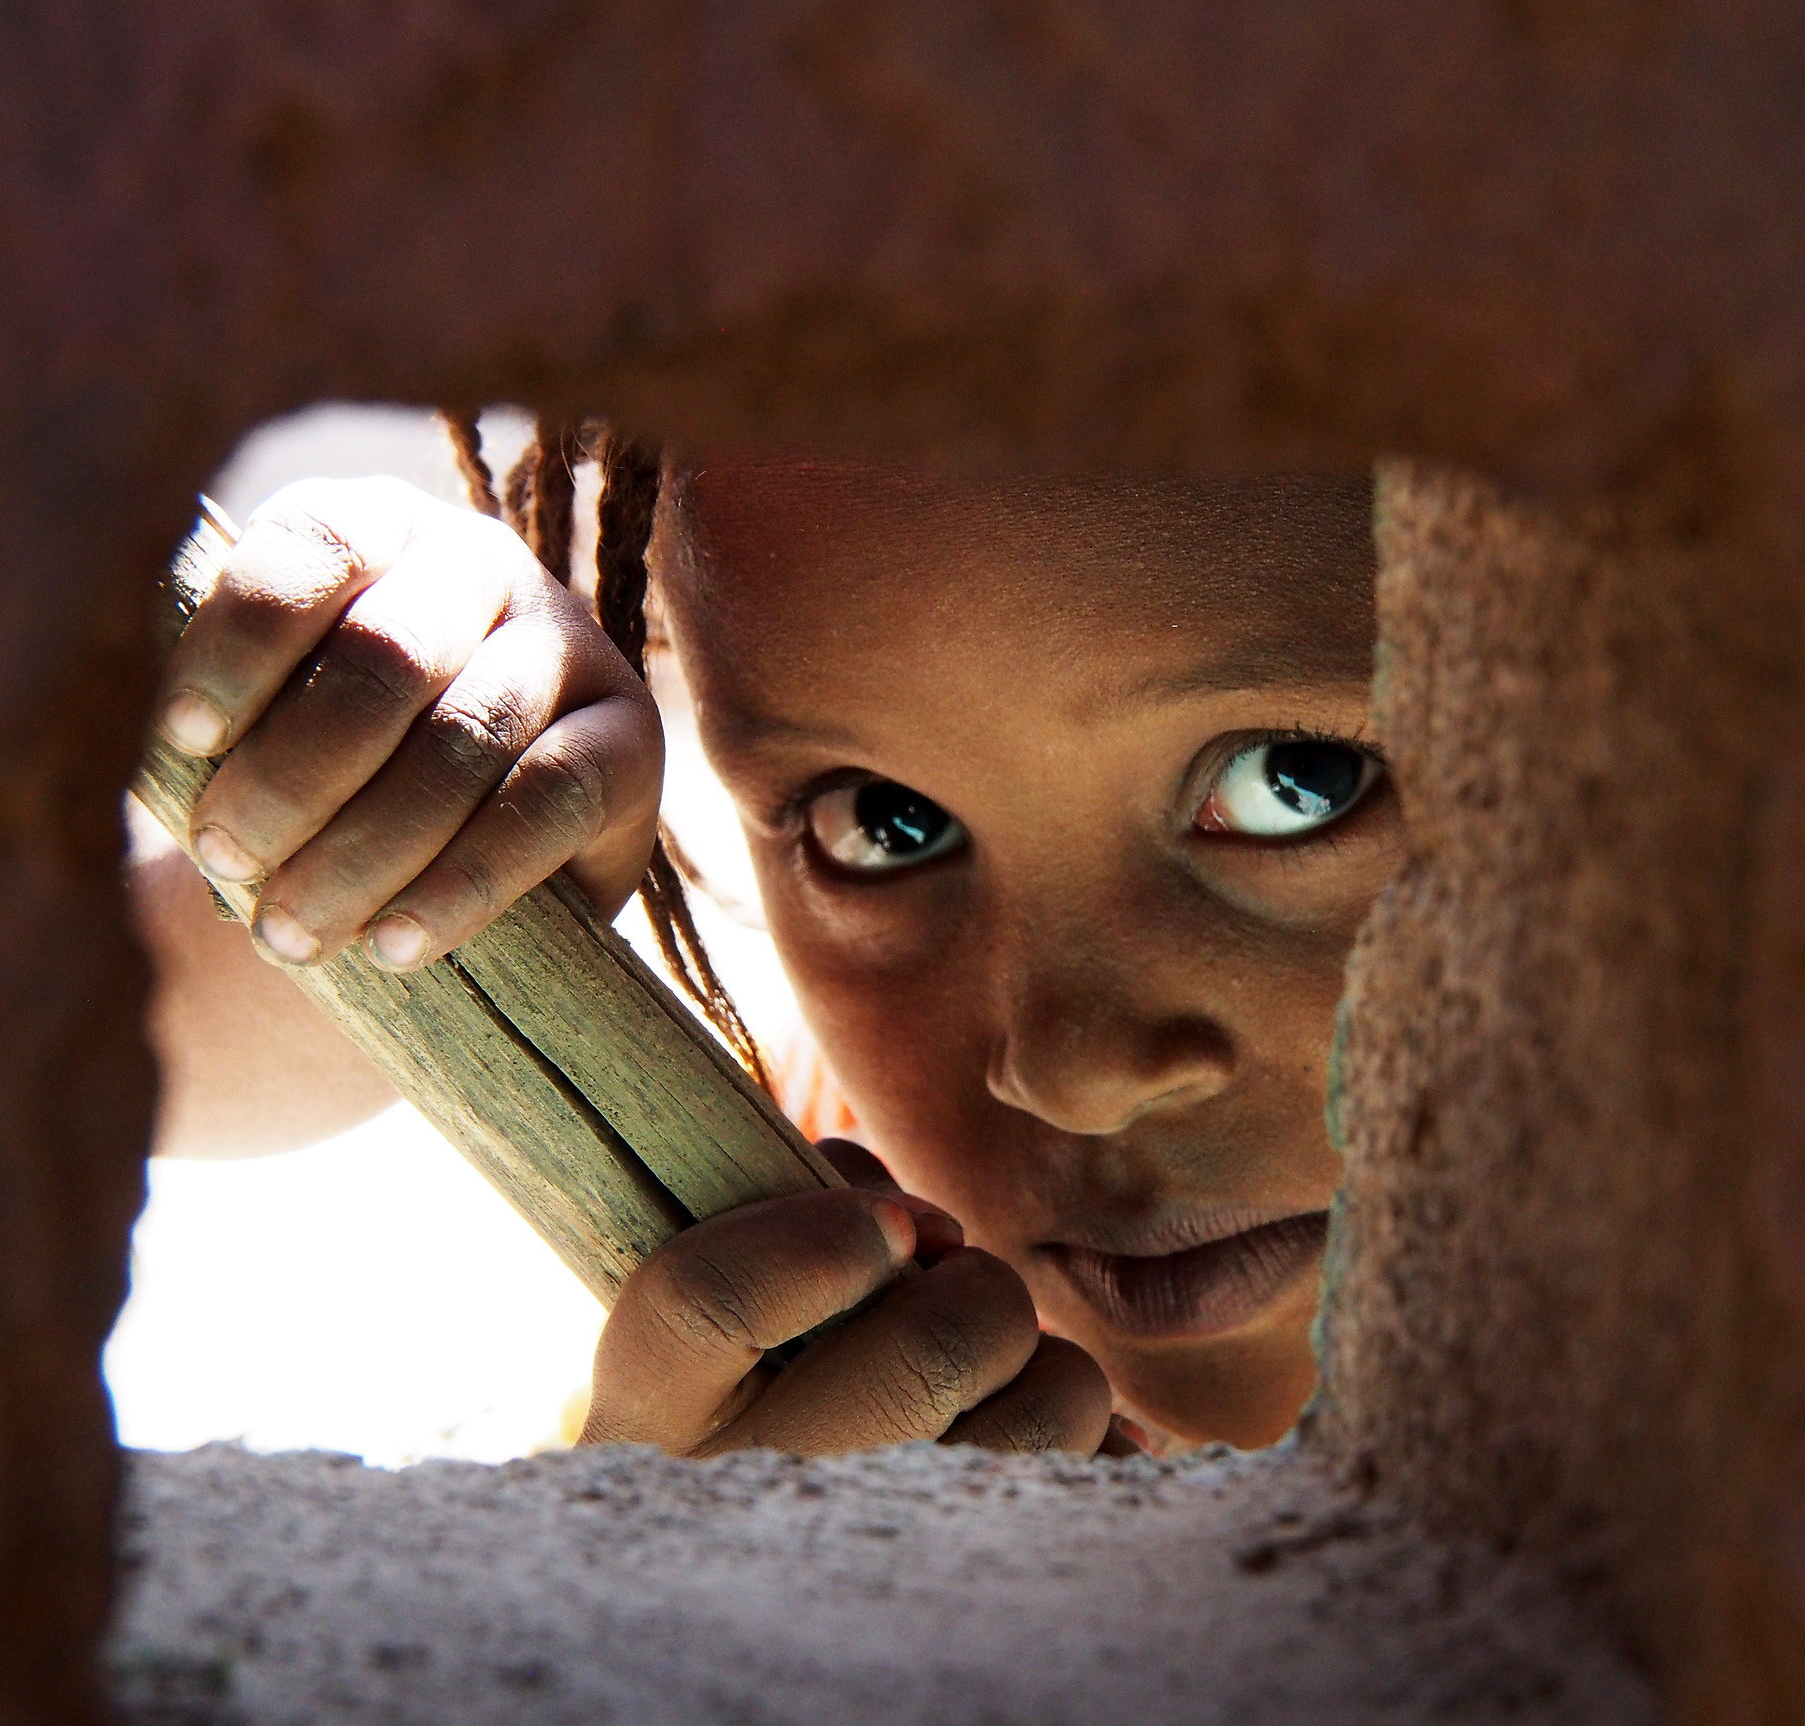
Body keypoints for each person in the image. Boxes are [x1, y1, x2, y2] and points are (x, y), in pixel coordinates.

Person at [140, 456, 1395, 1458]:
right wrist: (379, 809)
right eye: (884, 824)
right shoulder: (795, 1239)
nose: (1078, 1079)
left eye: (1301, 781)